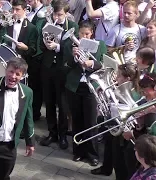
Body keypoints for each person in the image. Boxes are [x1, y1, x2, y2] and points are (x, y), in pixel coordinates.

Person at [65, 19, 106, 166]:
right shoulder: (72, 44)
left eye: (87, 34)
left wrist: (92, 63)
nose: (84, 37)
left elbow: (103, 64)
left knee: (91, 122)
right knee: (77, 119)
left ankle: (92, 154)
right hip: (75, 86)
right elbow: (67, 64)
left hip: (91, 87)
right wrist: (73, 56)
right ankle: (78, 151)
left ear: (92, 33)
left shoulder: (100, 45)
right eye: (82, 34)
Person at [39, 0, 78, 150]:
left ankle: (62, 135)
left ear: (66, 14)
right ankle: (52, 133)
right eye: (55, 14)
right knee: (49, 101)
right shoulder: (47, 23)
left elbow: (72, 47)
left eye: (60, 14)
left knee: (62, 104)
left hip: (63, 69)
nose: (57, 17)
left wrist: (58, 47)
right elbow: (40, 45)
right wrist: (46, 43)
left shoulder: (72, 26)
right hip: (48, 67)